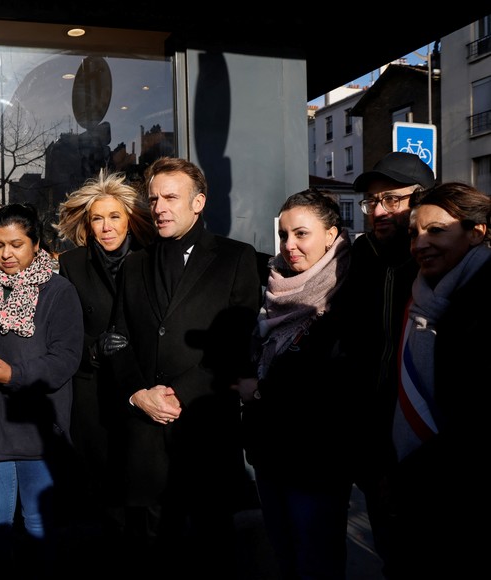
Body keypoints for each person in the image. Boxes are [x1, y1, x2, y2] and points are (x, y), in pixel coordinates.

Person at [104, 156, 261, 575]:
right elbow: (116, 339)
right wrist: (138, 394)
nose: (159, 207)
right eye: (154, 198)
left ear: (198, 202)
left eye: (171, 197)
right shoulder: (134, 263)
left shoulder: (236, 258)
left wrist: (179, 394)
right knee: (152, 555)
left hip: (206, 435)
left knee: (212, 552)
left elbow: (236, 343)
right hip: (145, 440)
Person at [231, 189, 354, 579]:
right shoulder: (275, 285)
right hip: (269, 451)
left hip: (317, 459)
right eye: (284, 234)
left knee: (316, 561)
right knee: (284, 556)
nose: (289, 245)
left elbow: (337, 382)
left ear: (331, 235)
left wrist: (261, 390)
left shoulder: (348, 291)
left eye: (301, 234)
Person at [0, 203, 83, 575]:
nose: (6, 254)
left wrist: (12, 375)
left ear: (36, 244)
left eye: (16, 244)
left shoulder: (58, 291)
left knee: (39, 526)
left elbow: (64, 360)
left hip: (39, 431)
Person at [386, 182, 491, 579]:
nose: (420, 243)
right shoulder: (419, 294)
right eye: (414, 233)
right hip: (417, 493)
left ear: (476, 232)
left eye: (436, 230)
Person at [344, 150, 435, 575]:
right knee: (391, 552)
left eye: (392, 199)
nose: (379, 211)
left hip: (426, 442)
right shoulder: (360, 254)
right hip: (371, 438)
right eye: (372, 201)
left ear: (422, 199)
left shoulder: (439, 260)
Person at [53, 169, 156, 545]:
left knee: (143, 490)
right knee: (102, 495)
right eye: (98, 218)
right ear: (88, 223)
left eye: (114, 216)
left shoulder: (151, 260)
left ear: (130, 219)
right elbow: (60, 333)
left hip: (140, 388)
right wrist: (92, 349)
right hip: (93, 392)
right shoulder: (71, 264)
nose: (107, 226)